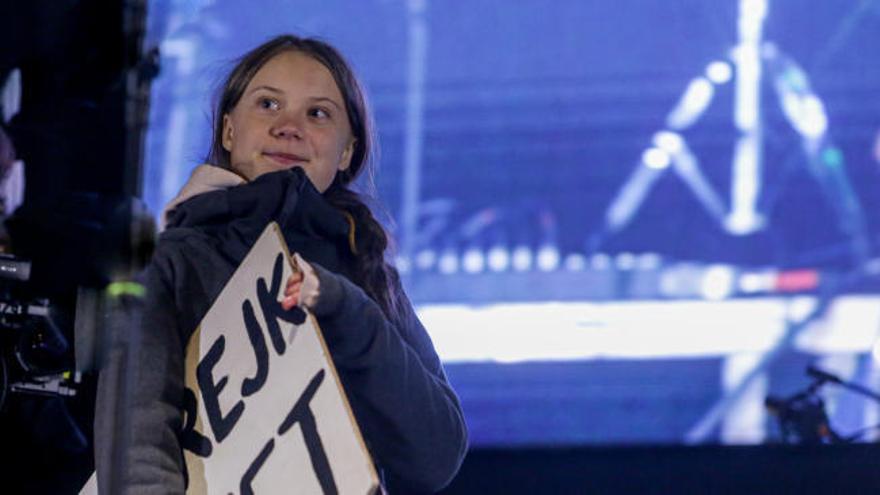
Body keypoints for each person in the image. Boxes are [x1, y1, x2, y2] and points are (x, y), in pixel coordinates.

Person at [94, 34, 468, 493]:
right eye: (268, 104)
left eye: (318, 113)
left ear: (347, 151)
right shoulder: (167, 265)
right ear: (229, 130)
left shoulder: (367, 272)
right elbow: (137, 449)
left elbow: (435, 455)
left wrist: (348, 313)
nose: (289, 126)